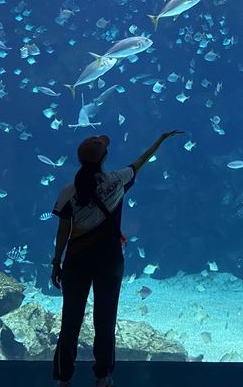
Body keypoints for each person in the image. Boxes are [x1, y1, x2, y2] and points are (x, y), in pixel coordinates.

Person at [51, 131, 183, 387]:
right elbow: (140, 162)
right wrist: (161, 139)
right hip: (109, 260)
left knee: (70, 320)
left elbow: (63, 230)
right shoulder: (117, 181)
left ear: (79, 160)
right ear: (105, 158)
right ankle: (102, 376)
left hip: (76, 260)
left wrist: (56, 262)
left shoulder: (68, 192)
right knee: (105, 319)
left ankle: (63, 378)